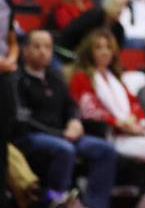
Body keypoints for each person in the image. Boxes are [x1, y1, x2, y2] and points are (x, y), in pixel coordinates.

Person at [68, 29, 145, 208]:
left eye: (108, 47)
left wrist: (134, 121)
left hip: (133, 128)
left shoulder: (115, 77)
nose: (105, 52)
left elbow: (135, 105)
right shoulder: (81, 77)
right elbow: (89, 110)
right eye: (99, 48)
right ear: (89, 51)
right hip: (111, 134)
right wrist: (119, 124)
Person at [13, 30, 117, 208]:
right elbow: (23, 119)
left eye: (47, 46)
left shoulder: (56, 77)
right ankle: (57, 199)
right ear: (25, 50)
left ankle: (96, 204)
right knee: (65, 149)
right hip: (31, 136)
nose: (42, 51)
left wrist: (75, 121)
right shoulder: (17, 80)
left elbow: (71, 105)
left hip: (63, 134)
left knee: (105, 150)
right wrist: (61, 133)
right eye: (37, 46)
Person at [0, 0, 19, 208]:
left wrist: (11, 59)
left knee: (3, 140)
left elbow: (12, 40)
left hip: (3, 76)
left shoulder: (5, 1)